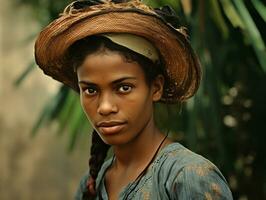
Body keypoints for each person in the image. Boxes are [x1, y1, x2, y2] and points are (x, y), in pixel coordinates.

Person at [34, 0, 233, 199]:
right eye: (91, 90)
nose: (105, 107)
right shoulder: (91, 185)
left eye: (123, 88)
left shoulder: (188, 177)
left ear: (156, 88)